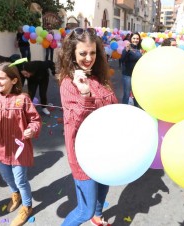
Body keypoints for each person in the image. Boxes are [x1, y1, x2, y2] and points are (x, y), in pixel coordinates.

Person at [57, 27, 118, 226]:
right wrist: (84, 94)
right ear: (72, 54)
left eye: (92, 52)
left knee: (103, 190)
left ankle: (98, 218)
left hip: (106, 149)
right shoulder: (68, 83)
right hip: (84, 155)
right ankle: (91, 215)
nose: (88, 58)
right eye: (83, 53)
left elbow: (113, 109)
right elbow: (75, 122)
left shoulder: (100, 77)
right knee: (84, 210)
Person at [0, 62, 42, 226]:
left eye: (2, 78)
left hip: (18, 149)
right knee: (7, 177)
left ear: (13, 80)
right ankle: (15, 194)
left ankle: (27, 206)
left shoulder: (22, 99)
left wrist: (32, 129)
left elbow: (35, 120)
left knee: (21, 180)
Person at [120, 32, 142, 107]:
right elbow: (122, 59)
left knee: (136, 94)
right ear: (131, 39)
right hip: (127, 75)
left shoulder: (140, 49)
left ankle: (136, 109)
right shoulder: (128, 48)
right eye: (134, 38)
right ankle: (124, 110)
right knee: (126, 94)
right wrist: (126, 50)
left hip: (137, 75)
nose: (135, 40)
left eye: (137, 38)